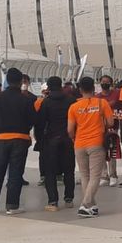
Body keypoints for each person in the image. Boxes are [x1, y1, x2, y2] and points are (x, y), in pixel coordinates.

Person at [0, 67, 36, 214]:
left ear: (7, 81)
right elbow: (33, 119)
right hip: (20, 139)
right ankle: (12, 206)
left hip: (0, 139)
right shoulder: (25, 100)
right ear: (21, 82)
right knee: (15, 172)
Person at [68, 76, 114, 217]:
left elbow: (70, 130)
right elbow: (111, 122)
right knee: (95, 176)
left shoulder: (74, 107)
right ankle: (85, 204)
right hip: (96, 143)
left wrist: (75, 138)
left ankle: (92, 205)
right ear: (94, 89)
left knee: (84, 175)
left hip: (79, 144)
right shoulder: (102, 103)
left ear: (80, 89)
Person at [34, 76, 75, 211]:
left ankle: (53, 201)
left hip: (51, 139)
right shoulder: (70, 100)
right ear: (61, 85)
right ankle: (69, 199)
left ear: (49, 88)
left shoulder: (46, 103)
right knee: (69, 170)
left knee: (50, 171)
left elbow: (40, 123)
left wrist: (40, 140)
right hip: (68, 139)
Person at [97, 76, 120, 186]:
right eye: (103, 82)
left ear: (111, 83)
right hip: (100, 127)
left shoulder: (116, 94)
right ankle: (104, 175)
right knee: (101, 151)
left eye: (107, 82)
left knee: (112, 151)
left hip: (113, 127)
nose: (104, 84)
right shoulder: (97, 97)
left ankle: (113, 175)